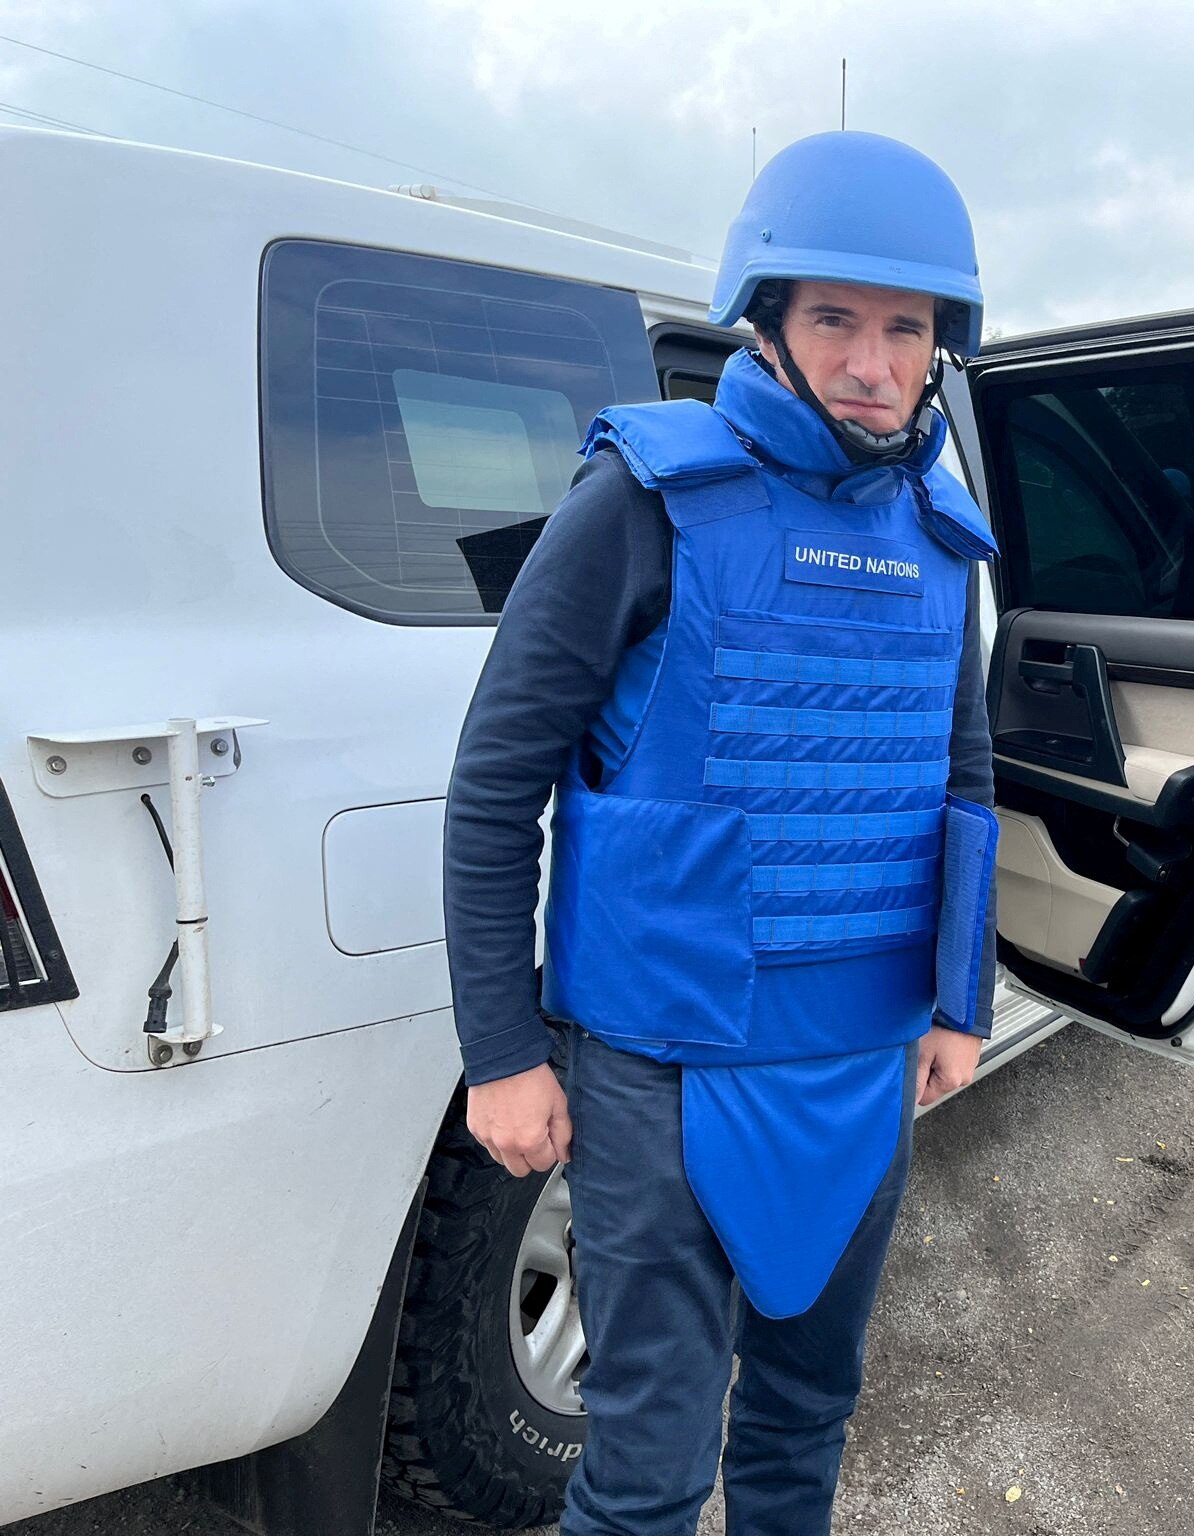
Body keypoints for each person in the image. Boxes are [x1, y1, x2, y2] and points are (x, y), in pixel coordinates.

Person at [441, 131, 1000, 1535]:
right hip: (663, 1063)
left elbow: (963, 773)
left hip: (867, 1053)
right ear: (768, 321)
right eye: (836, 321)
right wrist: (502, 1053)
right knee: (645, 1474)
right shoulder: (646, 501)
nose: (873, 363)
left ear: (940, 345)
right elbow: (497, 781)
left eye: (905, 329)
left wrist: (958, 1002)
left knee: (810, 1419)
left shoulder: (944, 532)